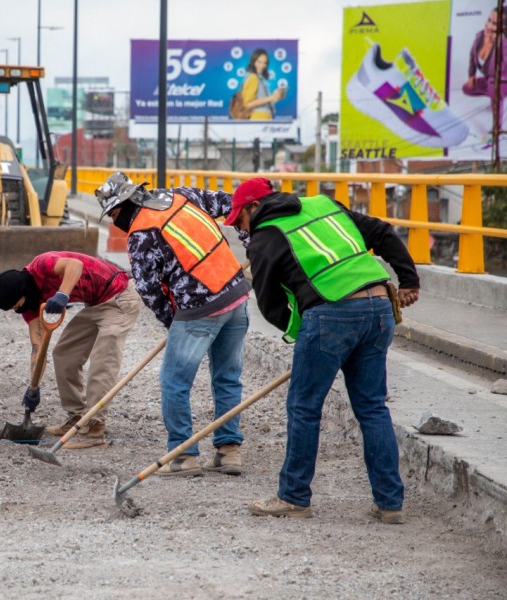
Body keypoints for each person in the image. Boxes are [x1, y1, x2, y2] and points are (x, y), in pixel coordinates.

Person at [225, 177, 420, 523]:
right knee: (372, 408)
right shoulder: (324, 205)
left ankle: (294, 496)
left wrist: (309, 337)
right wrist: (409, 280)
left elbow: (272, 307)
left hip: (330, 313)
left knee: (304, 407)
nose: (240, 228)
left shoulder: (264, 238)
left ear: (254, 207)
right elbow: (382, 232)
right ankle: (390, 503)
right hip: (378, 306)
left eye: (239, 219)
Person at [95, 171, 251, 476]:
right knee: (227, 377)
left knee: (174, 381)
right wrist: (250, 244)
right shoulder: (182, 196)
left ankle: (182, 455)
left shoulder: (140, 232)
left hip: (199, 308)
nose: (115, 220)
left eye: (114, 213)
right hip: (236, 294)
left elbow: (148, 288)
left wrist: (172, 321)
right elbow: (234, 206)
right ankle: (228, 452)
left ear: (125, 203)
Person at [0, 251, 143, 449]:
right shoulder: (29, 306)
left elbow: (74, 265)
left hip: (120, 296)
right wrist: (33, 386)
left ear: (23, 291)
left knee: (103, 360)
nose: (17, 310)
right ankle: (78, 417)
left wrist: (62, 294)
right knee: (64, 354)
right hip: (96, 304)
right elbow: (38, 347)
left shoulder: (42, 265)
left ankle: (95, 428)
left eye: (16, 305)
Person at [463, 6, 507, 145]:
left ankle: (496, 129)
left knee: (493, 84)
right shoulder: (480, 36)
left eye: (494, 24)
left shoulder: (504, 44)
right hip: (491, 79)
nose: (488, 25)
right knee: (468, 88)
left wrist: (499, 44)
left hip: (503, 80)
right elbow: (472, 56)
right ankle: (493, 95)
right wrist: (471, 75)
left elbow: (500, 69)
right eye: (489, 20)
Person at [234, 48, 286, 121]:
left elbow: (262, 101)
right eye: (259, 62)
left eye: (264, 63)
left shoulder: (259, 77)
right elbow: (248, 104)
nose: (262, 65)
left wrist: (276, 96)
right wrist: (270, 98)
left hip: (264, 116)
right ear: (253, 61)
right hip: (258, 117)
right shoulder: (253, 77)